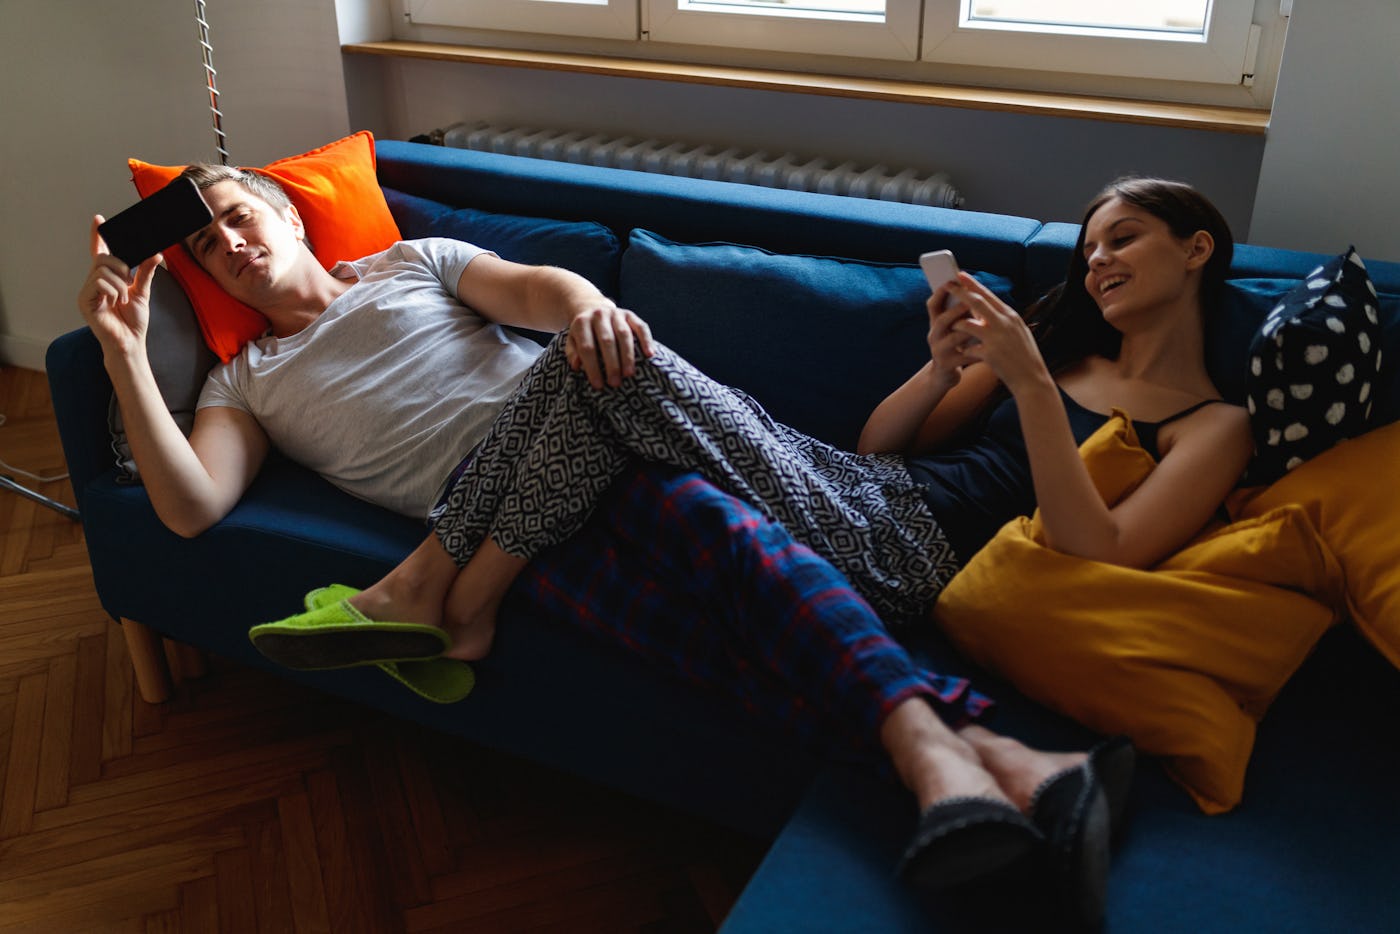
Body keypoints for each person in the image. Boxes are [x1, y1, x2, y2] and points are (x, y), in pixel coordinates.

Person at [250, 175, 1251, 918]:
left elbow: (1102, 547)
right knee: (599, 385)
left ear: (1196, 246)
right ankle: (1000, 761)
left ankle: (432, 583)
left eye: (1121, 239)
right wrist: (944, 371)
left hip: (913, 552)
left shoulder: (1212, 422)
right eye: (1088, 249)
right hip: (858, 487)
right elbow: (880, 447)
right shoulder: (1059, 343)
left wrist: (1032, 388)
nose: (1096, 262)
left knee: (602, 357)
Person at [77, 163, 653, 540]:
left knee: (725, 519)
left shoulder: (412, 261)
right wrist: (123, 351)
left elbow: (530, 290)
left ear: (293, 221)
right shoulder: (240, 383)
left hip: (592, 421)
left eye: (239, 217)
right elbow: (190, 509)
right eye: (208, 245)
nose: (229, 242)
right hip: (496, 508)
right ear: (214, 280)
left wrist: (587, 309)